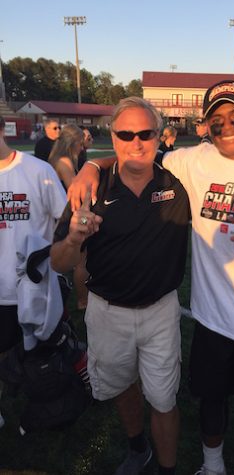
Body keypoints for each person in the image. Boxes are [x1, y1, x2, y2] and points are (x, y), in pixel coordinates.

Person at [66, 83, 234, 475]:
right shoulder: (191, 160)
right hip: (211, 321)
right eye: (217, 119)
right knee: (211, 401)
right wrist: (89, 165)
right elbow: (134, 157)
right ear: (205, 126)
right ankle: (212, 467)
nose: (228, 125)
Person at [50, 97, 191, 475]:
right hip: (107, 311)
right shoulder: (89, 190)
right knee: (122, 385)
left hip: (160, 311)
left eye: (145, 133)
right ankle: (137, 447)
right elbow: (57, 262)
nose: (136, 142)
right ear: (112, 137)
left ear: (159, 136)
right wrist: (74, 240)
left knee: (163, 399)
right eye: (125, 134)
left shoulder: (179, 182)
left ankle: (167, 469)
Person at [0, 115, 66, 427]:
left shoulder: (38, 171)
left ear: (2, 130)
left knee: (42, 360)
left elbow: (63, 222)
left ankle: (46, 411)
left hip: (36, 289)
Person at [48, 124, 88, 310]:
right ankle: (82, 301)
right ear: (73, 142)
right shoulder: (64, 161)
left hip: (61, 213)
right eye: (80, 143)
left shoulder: (58, 158)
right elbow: (76, 188)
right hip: (66, 214)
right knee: (81, 259)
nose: (82, 148)